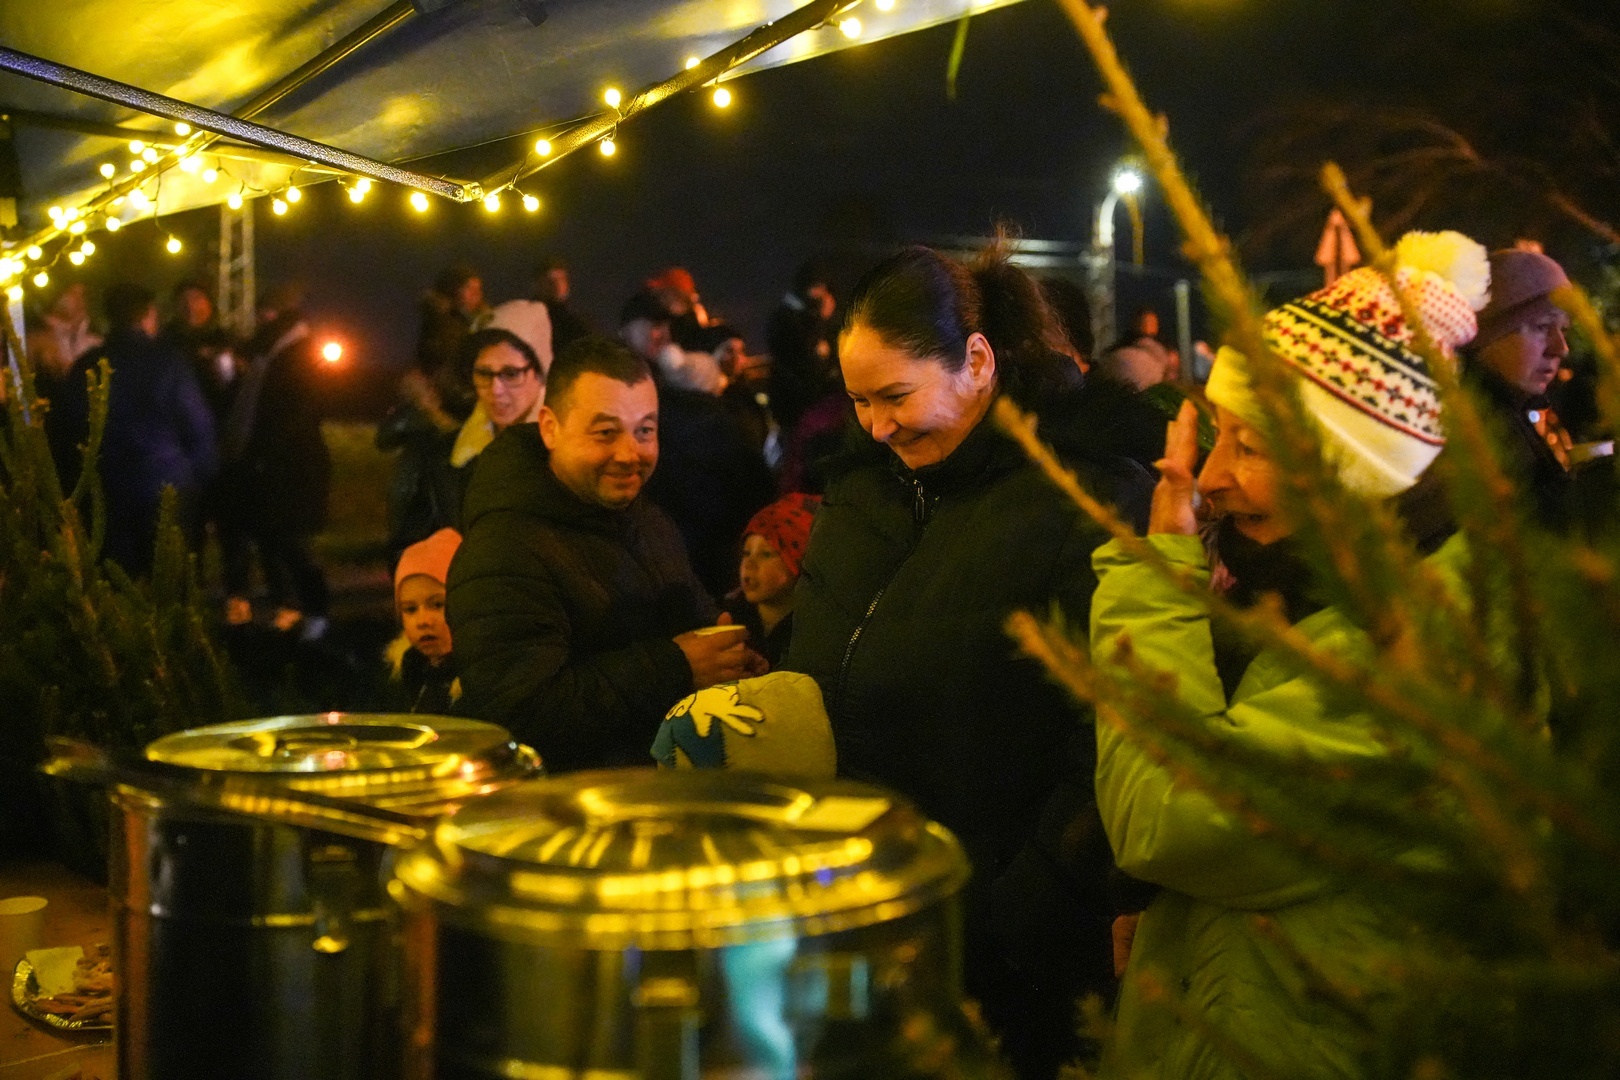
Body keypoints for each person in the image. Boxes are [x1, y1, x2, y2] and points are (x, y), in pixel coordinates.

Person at [1092, 232, 1492, 1080]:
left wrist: (1154, 580)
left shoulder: (1412, 661)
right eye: (1220, 436)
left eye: (1251, 446)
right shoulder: (1290, 587)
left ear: (1355, 474)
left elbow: (1165, 820)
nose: (1210, 477)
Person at [782, 244, 1153, 1079]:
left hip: (1007, 952)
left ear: (977, 362)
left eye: (896, 396)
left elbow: (1108, 737)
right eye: (859, 401)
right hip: (862, 916)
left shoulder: (1081, 498)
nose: (876, 427)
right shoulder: (863, 491)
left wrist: (1015, 913)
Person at [447, 336, 765, 772]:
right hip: (566, 803)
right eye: (606, 432)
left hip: (657, 789)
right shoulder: (503, 549)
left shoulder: (647, 521)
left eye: (645, 430)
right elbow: (521, 714)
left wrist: (730, 651)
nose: (629, 454)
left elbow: (692, 619)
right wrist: (676, 667)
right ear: (550, 428)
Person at [53, 283, 217, 575]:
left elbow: (67, 429)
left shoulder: (86, 366)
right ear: (148, 315)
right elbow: (198, 425)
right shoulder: (169, 363)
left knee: (116, 578)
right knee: (168, 578)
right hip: (166, 485)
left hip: (106, 489)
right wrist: (198, 478)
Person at [622, 297, 776, 598]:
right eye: (653, 325)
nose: (661, 333)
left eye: (665, 326)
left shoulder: (702, 406)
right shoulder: (659, 399)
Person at [219, 283, 332, 637]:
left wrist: (263, 451)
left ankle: (316, 613)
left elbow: (295, 412)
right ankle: (297, 609)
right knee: (276, 537)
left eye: (266, 314)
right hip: (274, 463)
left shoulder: (297, 354)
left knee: (293, 542)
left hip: (291, 465)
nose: (260, 321)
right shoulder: (273, 353)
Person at [382, 328, 546, 560]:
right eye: (484, 374)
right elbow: (409, 544)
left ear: (538, 375)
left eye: (511, 374)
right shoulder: (447, 457)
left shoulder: (566, 450)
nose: (496, 389)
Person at [724, 493, 821, 668]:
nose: (749, 565)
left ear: (796, 561)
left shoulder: (815, 631)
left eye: (766, 554)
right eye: (746, 553)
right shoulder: (729, 618)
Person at [383, 527, 462, 715]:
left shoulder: (481, 680)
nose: (423, 621)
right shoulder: (405, 675)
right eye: (410, 609)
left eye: (437, 605)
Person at [767, 256, 840, 435]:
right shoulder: (786, 319)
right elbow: (808, 357)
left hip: (815, 407)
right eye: (818, 288)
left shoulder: (808, 317)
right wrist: (821, 319)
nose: (822, 295)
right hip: (797, 408)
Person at [536, 256, 593, 354]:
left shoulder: (576, 323)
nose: (557, 285)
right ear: (540, 284)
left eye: (561, 279)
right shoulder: (532, 318)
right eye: (551, 280)